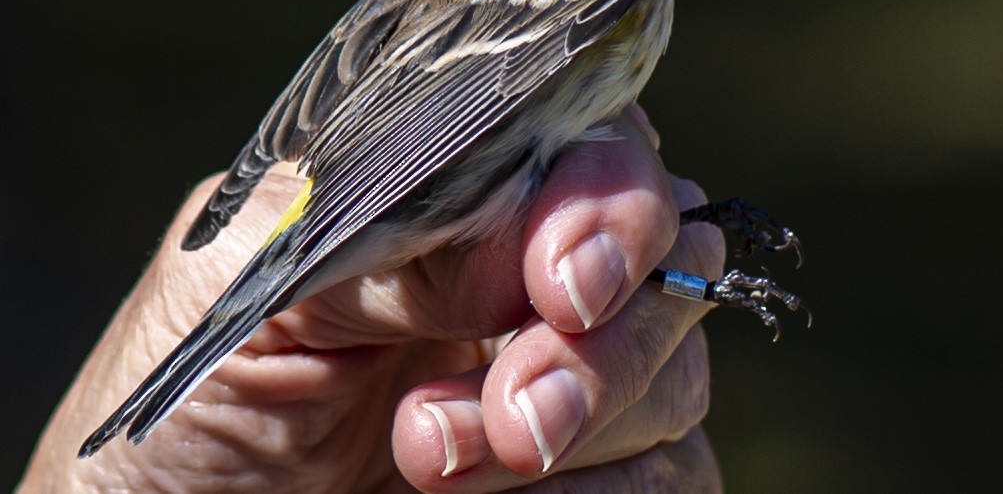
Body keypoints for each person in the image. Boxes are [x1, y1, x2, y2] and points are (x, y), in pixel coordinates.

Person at [19, 106, 723, 492]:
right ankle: (682, 274)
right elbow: (469, 98)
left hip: (399, 178)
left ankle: (681, 273)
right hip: (418, 171)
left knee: (587, 269)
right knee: (575, 267)